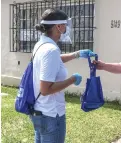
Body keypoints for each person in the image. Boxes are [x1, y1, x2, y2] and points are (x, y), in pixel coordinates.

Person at [30, 9, 95, 143]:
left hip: (40, 111)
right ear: (58, 27)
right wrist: (72, 79)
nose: (66, 28)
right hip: (51, 115)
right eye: (65, 25)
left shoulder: (41, 45)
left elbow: (54, 61)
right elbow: (45, 89)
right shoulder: (51, 50)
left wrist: (76, 54)